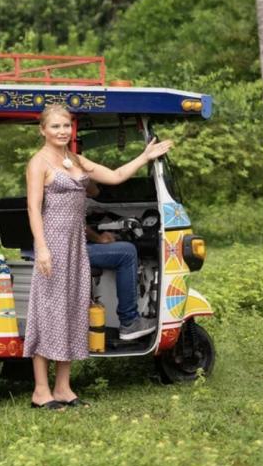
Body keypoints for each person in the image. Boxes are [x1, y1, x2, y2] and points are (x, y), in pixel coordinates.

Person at [24, 104, 172, 409]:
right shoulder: (38, 163)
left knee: (74, 309)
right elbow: (33, 208)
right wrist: (41, 247)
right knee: (49, 313)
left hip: (76, 244)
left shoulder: (75, 159)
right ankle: (41, 391)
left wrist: (145, 157)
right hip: (52, 244)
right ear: (43, 130)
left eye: (66, 125)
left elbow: (115, 176)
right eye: (55, 126)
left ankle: (63, 388)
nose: (62, 131)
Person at [85, 180, 153, 341]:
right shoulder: (75, 173)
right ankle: (129, 322)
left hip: (61, 246)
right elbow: (96, 190)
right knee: (127, 252)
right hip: (70, 250)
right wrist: (99, 239)